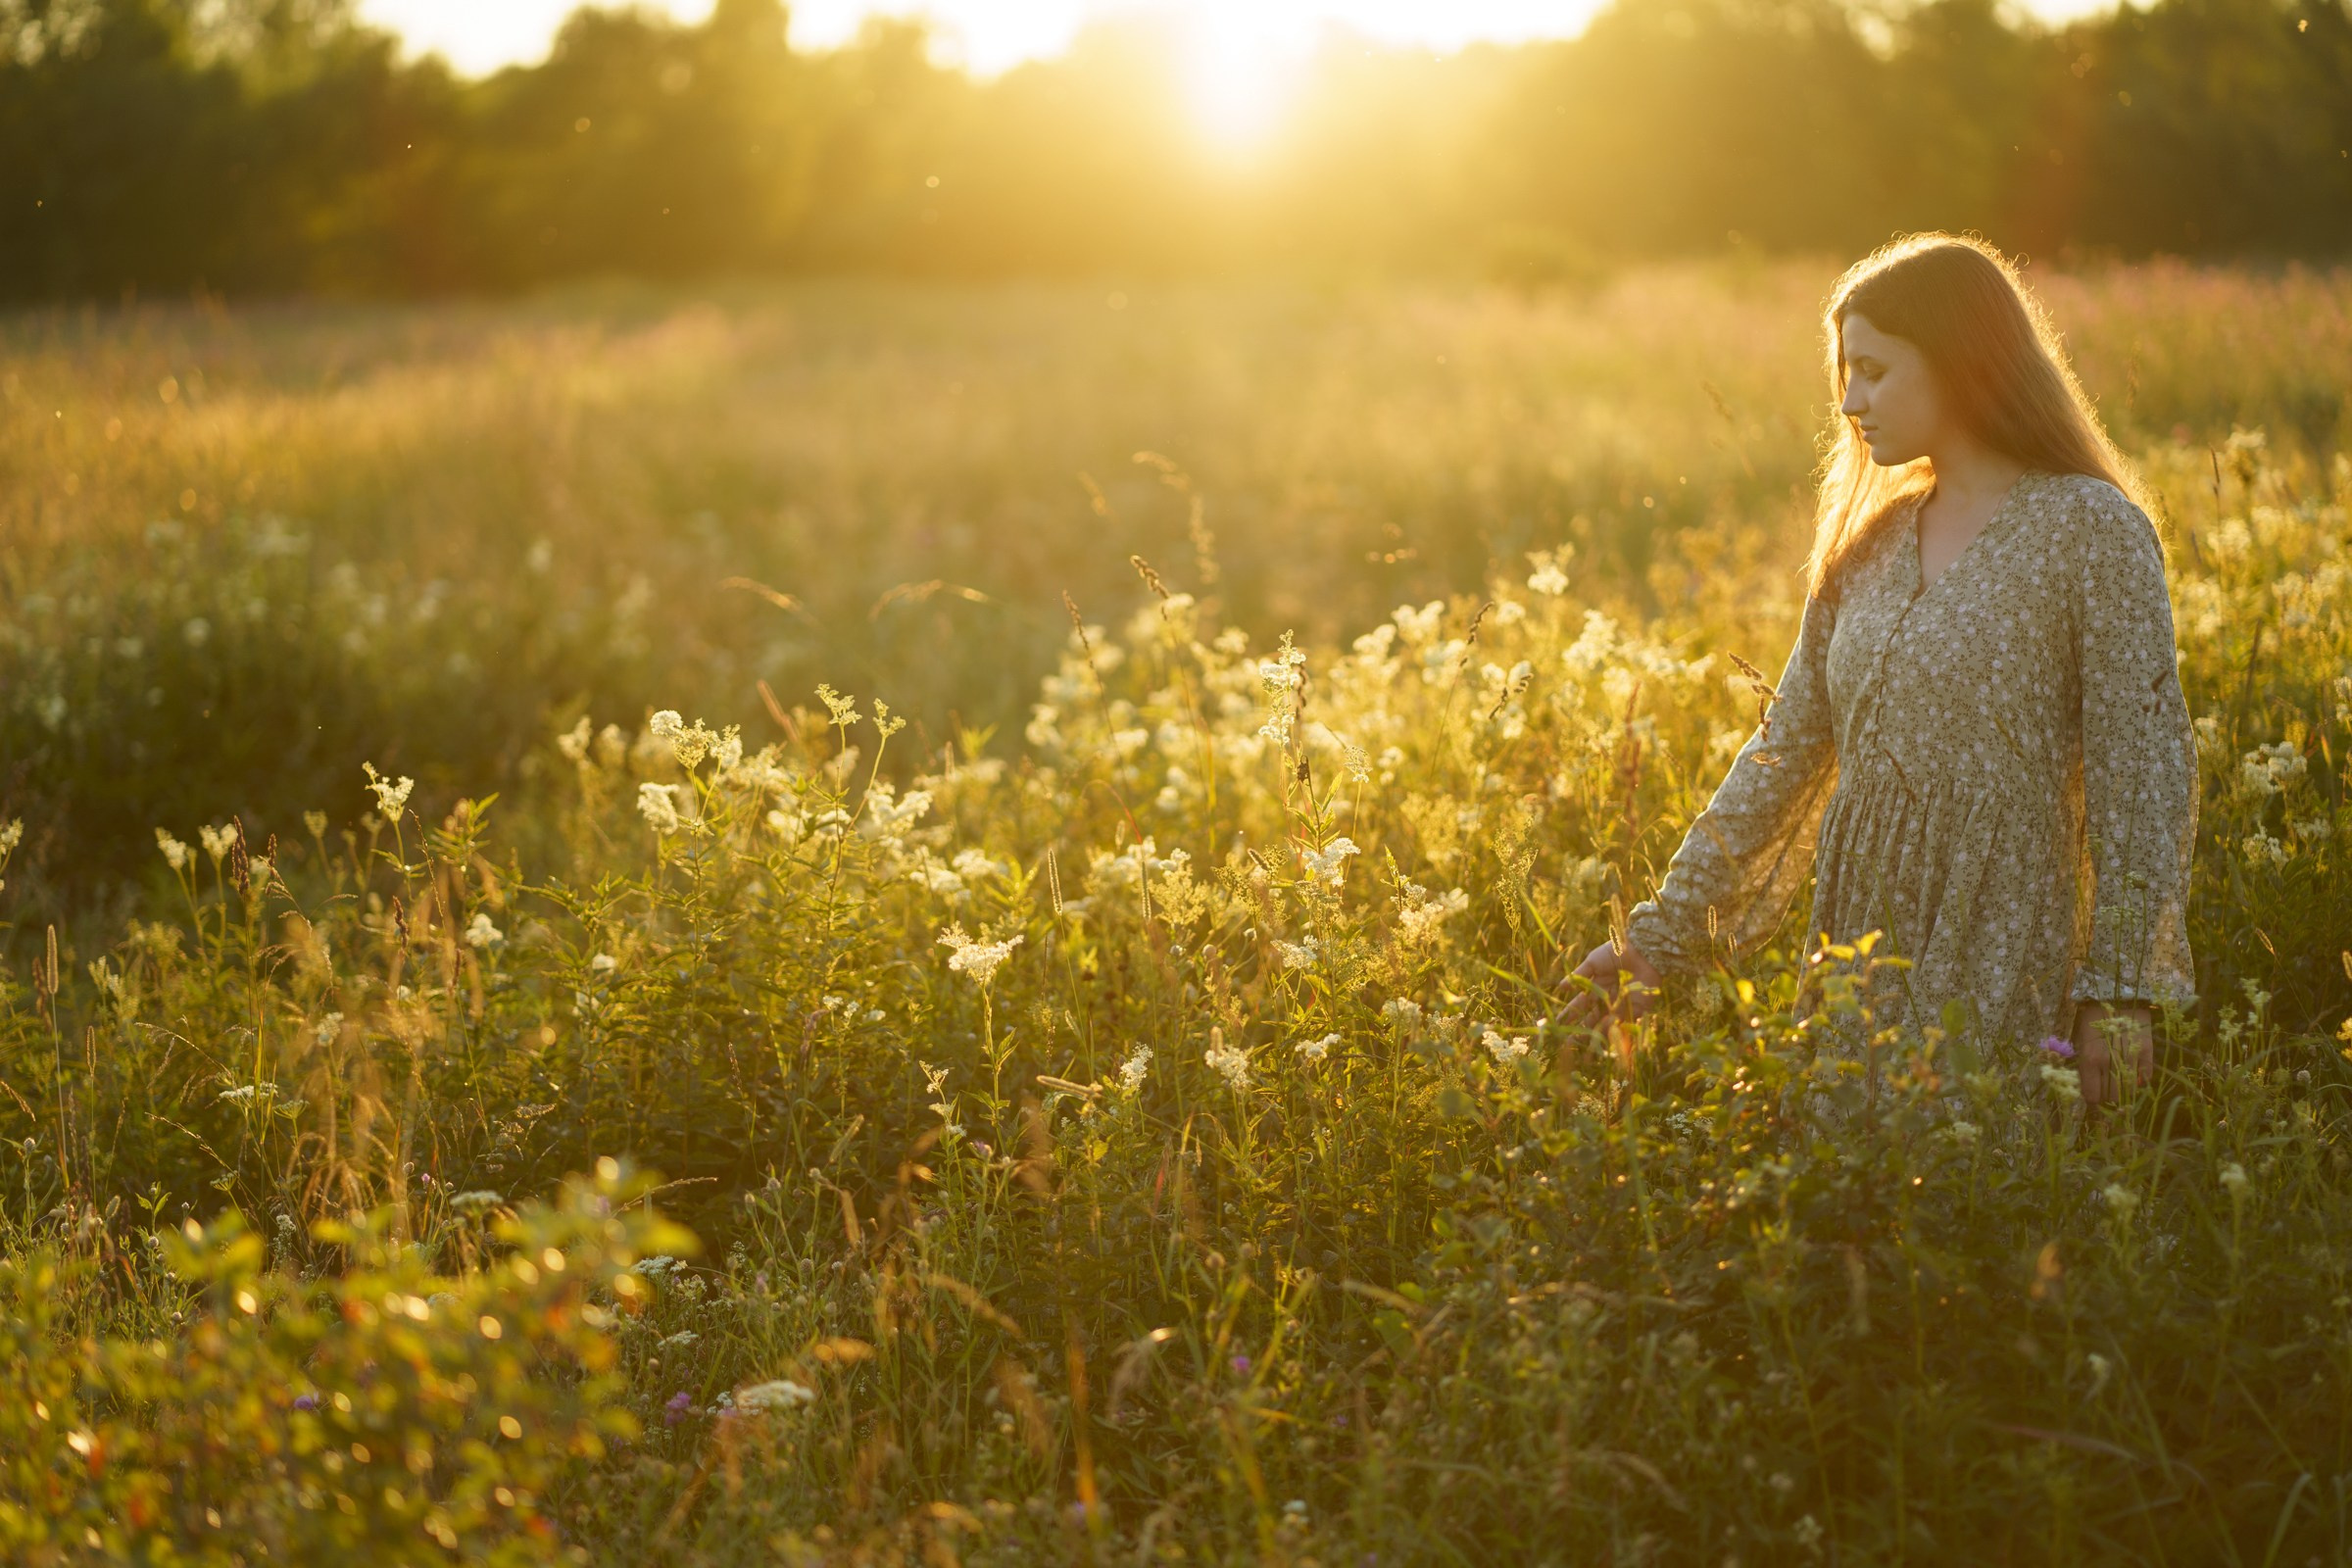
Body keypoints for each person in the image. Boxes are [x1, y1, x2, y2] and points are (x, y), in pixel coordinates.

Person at [1560, 232, 2199, 1106]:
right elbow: (1783, 753)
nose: (1851, 400)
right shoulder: (1869, 544)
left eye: (1875, 369)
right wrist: (1659, 936)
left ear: (1961, 362)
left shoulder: (2091, 530)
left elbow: (2143, 773)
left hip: (2001, 930)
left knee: (1982, 1194)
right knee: (1848, 1205)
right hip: (1857, 942)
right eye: (1844, 374)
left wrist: (2121, 993)